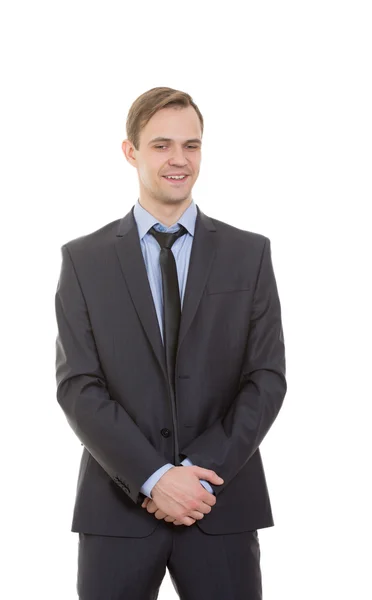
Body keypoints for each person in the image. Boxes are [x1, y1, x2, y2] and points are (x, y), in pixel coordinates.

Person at [54, 86, 287, 599]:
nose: (179, 160)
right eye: (161, 145)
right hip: (117, 510)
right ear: (131, 151)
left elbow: (265, 379)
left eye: (192, 145)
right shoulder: (83, 261)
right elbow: (78, 387)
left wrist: (196, 478)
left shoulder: (249, 254)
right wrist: (154, 476)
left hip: (220, 506)